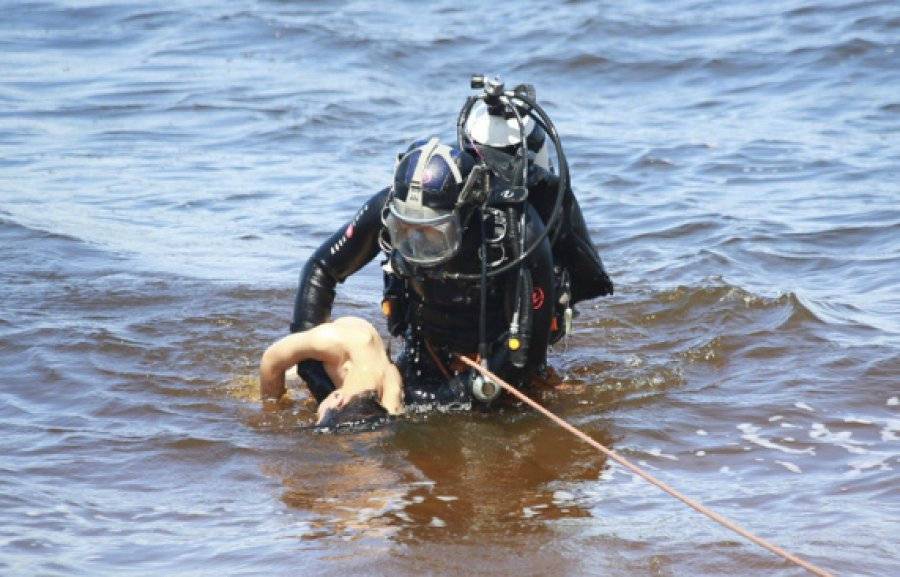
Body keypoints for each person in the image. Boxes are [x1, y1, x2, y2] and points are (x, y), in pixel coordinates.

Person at [287, 80, 613, 413]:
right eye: (406, 233)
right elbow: (321, 268)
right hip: (425, 346)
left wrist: (452, 398)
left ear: (463, 215)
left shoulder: (516, 232)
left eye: (433, 235)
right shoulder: (389, 207)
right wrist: (309, 359)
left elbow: (525, 352)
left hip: (498, 352)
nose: (418, 250)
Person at [260, 316, 403, 428]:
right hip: (347, 338)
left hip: (374, 362)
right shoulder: (331, 341)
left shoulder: (391, 392)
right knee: (295, 377)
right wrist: (273, 406)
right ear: (338, 399)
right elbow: (270, 359)